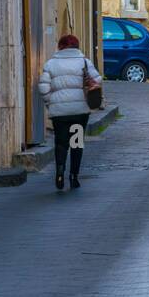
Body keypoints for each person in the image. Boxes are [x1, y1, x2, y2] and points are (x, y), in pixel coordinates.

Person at [38, 34, 102, 190]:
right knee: (76, 143)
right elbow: (97, 80)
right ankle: (74, 176)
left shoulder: (51, 64)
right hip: (79, 111)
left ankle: (60, 172)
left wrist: (50, 102)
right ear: (76, 46)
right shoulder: (84, 62)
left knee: (61, 143)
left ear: (60, 46)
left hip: (59, 112)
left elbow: (43, 87)